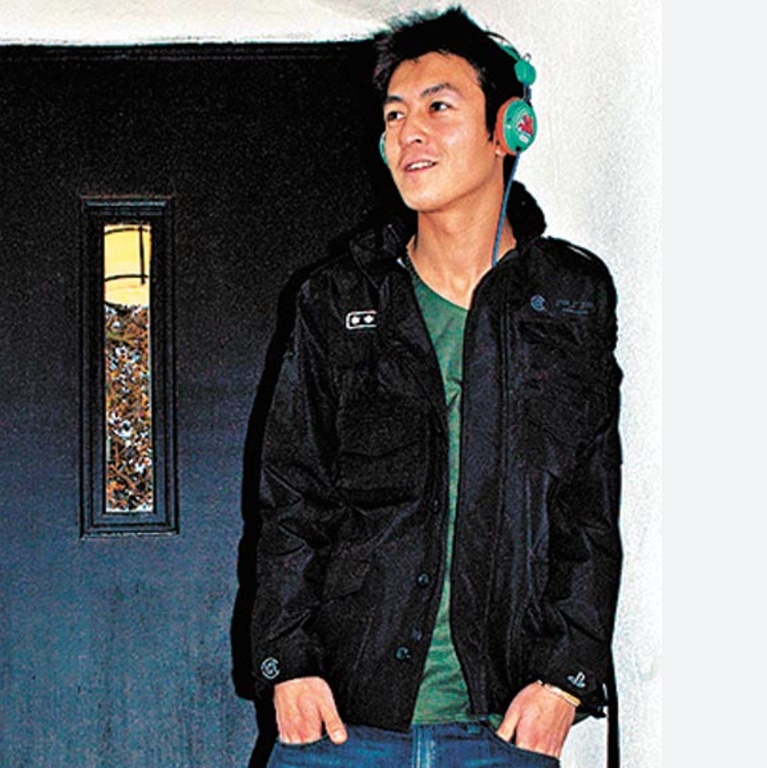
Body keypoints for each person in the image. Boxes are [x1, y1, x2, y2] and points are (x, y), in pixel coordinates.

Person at [251, 6, 623, 766]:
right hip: (340, 726)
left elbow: (589, 506)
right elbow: (291, 495)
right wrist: (286, 662)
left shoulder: (570, 296)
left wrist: (567, 678)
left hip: (503, 725)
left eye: (438, 107)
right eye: (395, 115)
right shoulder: (338, 298)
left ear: (508, 129)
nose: (408, 133)